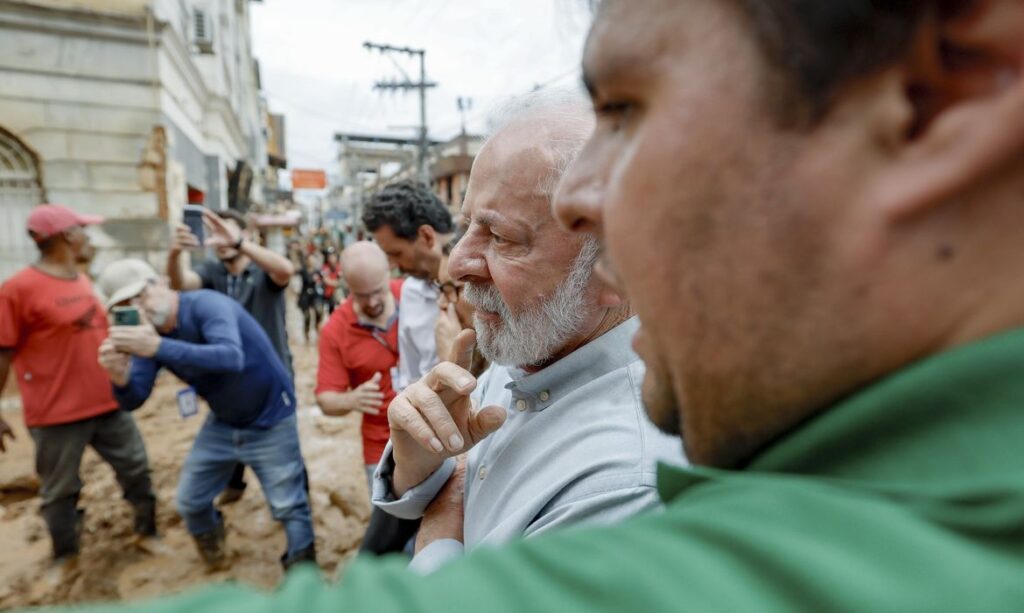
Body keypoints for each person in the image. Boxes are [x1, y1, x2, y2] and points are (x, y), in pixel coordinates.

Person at [44, 0, 1024, 609]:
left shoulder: (645, 481)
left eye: (627, 108)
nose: (588, 194)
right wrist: (424, 483)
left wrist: (441, 545)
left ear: (940, 93)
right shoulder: (519, 360)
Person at [371, 91, 685, 573]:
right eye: (467, 225)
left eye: (501, 237)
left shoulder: (627, 484)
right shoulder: (536, 340)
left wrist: (439, 530)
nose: (457, 263)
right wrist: (421, 462)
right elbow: (449, 479)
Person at [97, 259, 316, 571]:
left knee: (289, 506)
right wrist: (119, 377)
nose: (138, 308)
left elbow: (229, 356)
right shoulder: (151, 338)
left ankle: (303, 575)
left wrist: (157, 346)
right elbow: (134, 399)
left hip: (271, 417)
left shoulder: (207, 305)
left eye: (140, 296)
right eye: (125, 306)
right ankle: (216, 556)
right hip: (224, 420)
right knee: (190, 500)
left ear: (162, 283)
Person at [0, 204, 156, 563]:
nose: (89, 238)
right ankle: (66, 556)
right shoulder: (17, 290)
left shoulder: (83, 280)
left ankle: (147, 533)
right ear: (67, 236)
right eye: (83, 230)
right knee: (60, 490)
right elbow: (2, 353)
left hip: (108, 402)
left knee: (137, 468)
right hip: (55, 412)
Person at [167, 208, 295, 505]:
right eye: (215, 234)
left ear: (244, 235)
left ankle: (296, 502)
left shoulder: (263, 271)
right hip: (229, 375)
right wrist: (174, 253)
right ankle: (234, 485)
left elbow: (285, 270)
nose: (220, 240)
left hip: (271, 378)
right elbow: (180, 285)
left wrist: (239, 243)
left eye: (226, 232)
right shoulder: (212, 273)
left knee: (283, 445)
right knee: (230, 428)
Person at [315, 242, 402, 490]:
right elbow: (325, 399)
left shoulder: (414, 296)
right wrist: (351, 399)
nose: (373, 302)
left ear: (389, 273)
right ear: (346, 285)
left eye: (378, 291)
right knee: (385, 511)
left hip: (434, 430)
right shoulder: (335, 330)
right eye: (362, 295)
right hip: (382, 444)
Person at [362, 180, 455, 391]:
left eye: (396, 253)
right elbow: (409, 378)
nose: (392, 265)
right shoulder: (411, 292)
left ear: (426, 236)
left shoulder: (483, 284)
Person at [297, 252, 324, 343]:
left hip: (315, 295)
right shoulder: (303, 270)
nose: (311, 261)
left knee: (318, 311)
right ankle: (306, 333)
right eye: (310, 260)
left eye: (313, 260)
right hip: (305, 295)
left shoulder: (318, 271)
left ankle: (317, 329)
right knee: (307, 316)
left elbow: (323, 281)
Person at [320, 250, 342, 316]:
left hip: (336, 294)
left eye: (333, 256)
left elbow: (343, 281)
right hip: (327, 295)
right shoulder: (325, 267)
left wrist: (338, 283)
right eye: (329, 256)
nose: (331, 258)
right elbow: (326, 281)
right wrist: (337, 283)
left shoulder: (340, 266)